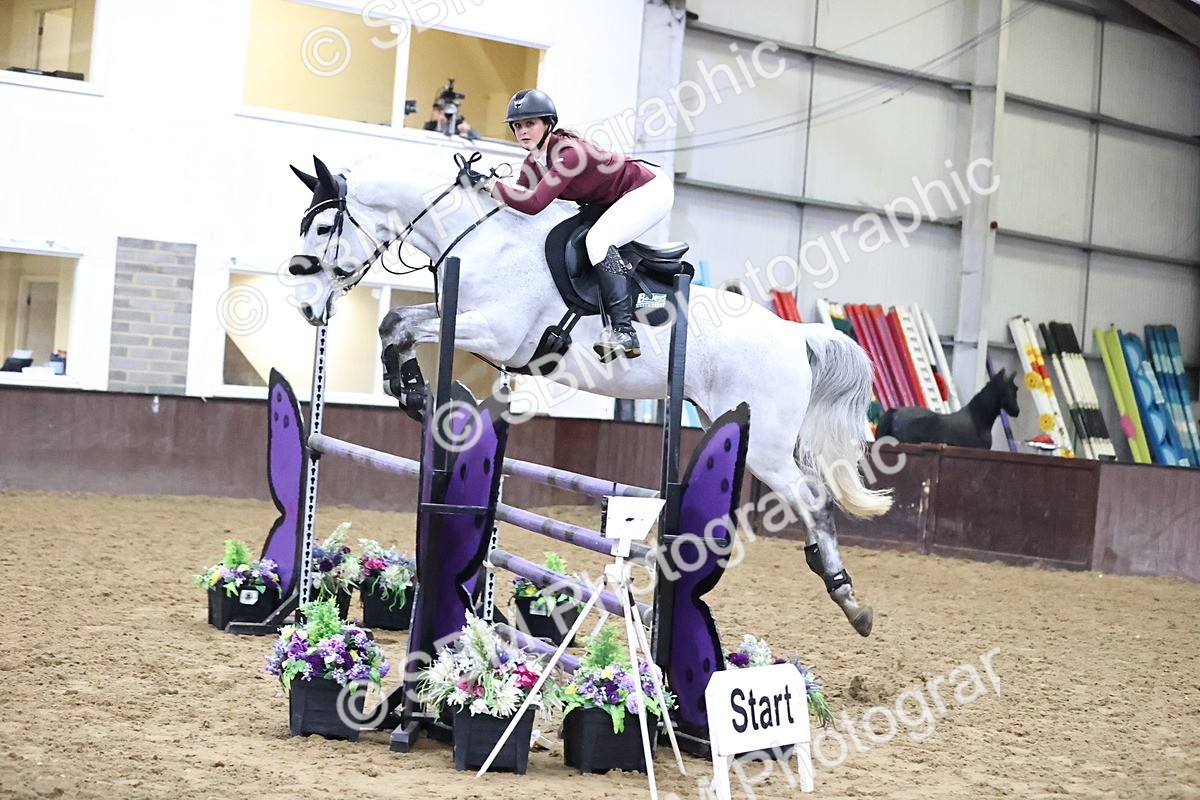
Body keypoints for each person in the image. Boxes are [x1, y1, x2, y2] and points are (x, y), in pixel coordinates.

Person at [475, 88, 673, 361]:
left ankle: (624, 331)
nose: (522, 131)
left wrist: (491, 185)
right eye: (517, 125)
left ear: (548, 124)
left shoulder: (569, 154)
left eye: (530, 124)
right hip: (614, 198)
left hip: (649, 189)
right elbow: (518, 206)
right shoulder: (533, 163)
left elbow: (533, 204)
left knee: (598, 241)